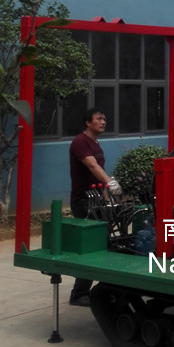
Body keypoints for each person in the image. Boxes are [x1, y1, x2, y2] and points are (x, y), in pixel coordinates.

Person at [68, 107, 122, 306]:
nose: (103, 122)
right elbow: (92, 166)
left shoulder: (96, 144)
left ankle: (103, 290)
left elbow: (99, 172)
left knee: (105, 244)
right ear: (87, 122)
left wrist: (107, 198)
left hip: (97, 201)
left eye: (104, 119)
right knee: (91, 247)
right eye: (99, 118)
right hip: (83, 202)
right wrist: (111, 182)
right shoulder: (80, 142)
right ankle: (78, 294)